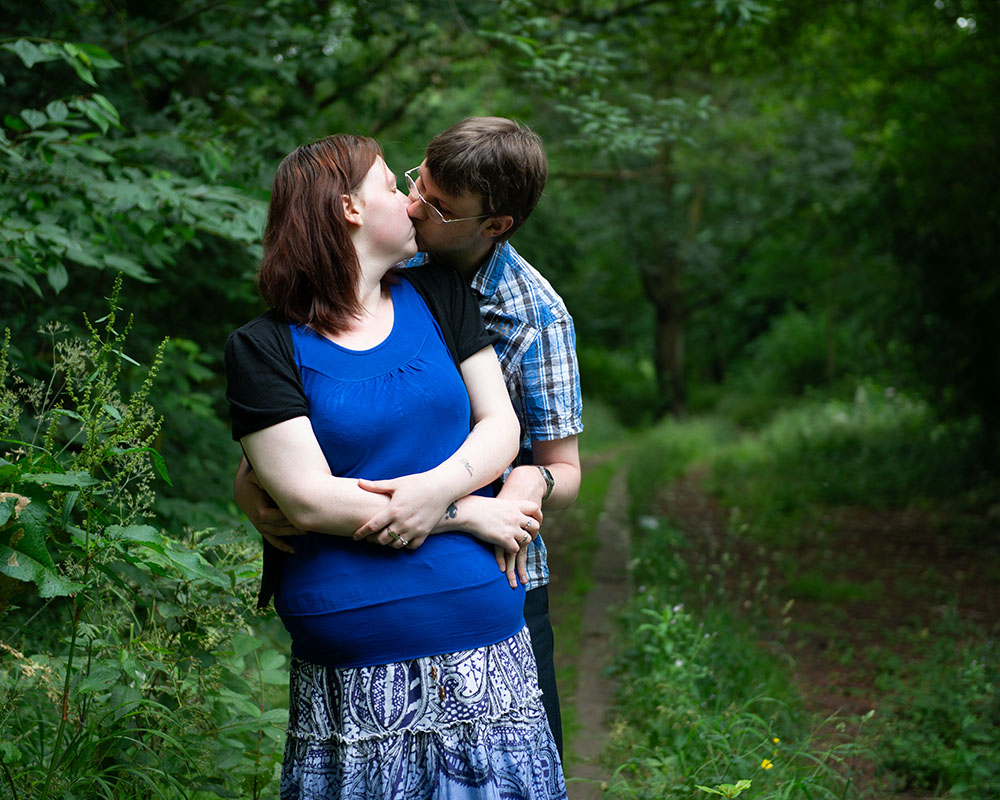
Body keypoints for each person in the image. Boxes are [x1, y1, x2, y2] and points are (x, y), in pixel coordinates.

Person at [225, 134, 567, 799]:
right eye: (390, 184)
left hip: (485, 636)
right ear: (348, 208)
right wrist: (463, 513)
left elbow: (501, 427)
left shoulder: (440, 295)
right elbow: (307, 501)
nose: (411, 204)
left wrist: (438, 488)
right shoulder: (262, 347)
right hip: (354, 656)